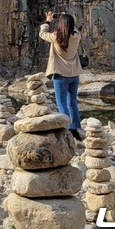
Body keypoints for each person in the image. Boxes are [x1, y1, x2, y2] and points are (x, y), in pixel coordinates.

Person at [39, 11, 83, 140]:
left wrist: (48, 20)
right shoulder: (77, 36)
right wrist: (67, 16)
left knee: (62, 103)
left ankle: (67, 128)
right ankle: (76, 128)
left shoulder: (56, 36)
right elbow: (72, 27)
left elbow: (42, 33)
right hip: (74, 74)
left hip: (60, 74)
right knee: (72, 102)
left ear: (61, 25)